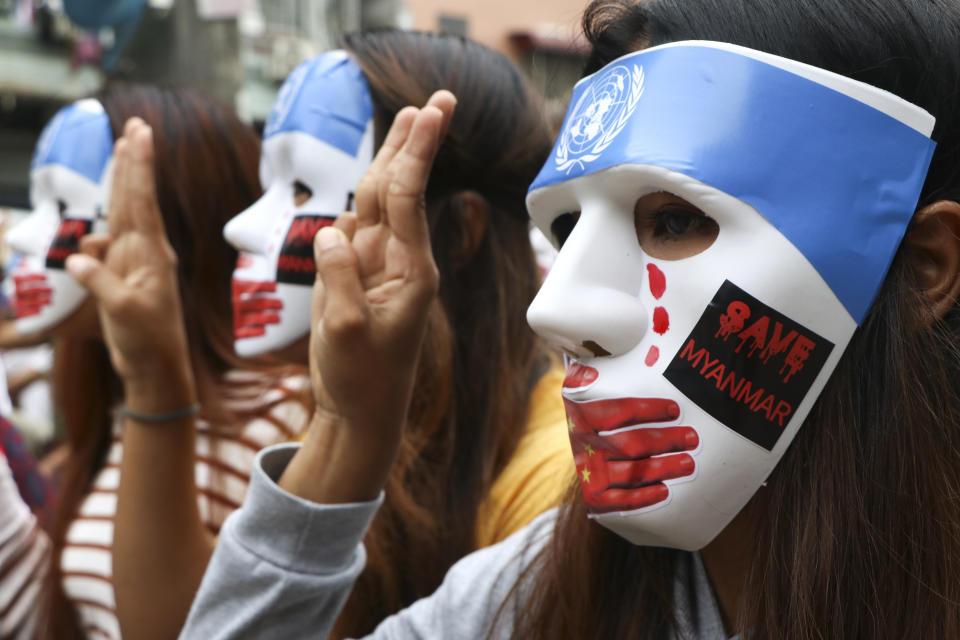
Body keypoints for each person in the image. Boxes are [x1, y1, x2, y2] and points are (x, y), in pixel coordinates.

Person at [97, 0, 960, 637]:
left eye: (674, 220)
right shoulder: (540, 593)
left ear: (922, 270)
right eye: (569, 227)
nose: (557, 313)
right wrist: (350, 432)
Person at [97, 31, 571, 639]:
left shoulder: (556, 484)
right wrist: (153, 379)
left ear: (457, 234)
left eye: (301, 187)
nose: (241, 227)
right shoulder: (336, 409)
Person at [0, 87, 310, 640]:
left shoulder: (282, 418)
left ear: (170, 222)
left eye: (63, 207)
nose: (25, 234)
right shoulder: (110, 408)